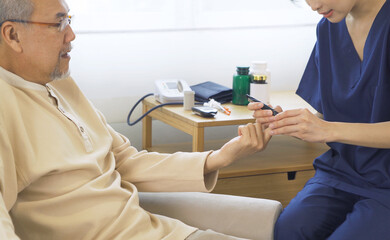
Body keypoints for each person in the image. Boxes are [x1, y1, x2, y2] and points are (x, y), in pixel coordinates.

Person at [0, 0, 272, 239]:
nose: (71, 34)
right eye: (58, 24)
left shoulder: (58, 82)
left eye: (69, 21)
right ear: (13, 35)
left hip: (153, 228)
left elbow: (124, 160)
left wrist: (220, 157)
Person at [248, 0, 390, 239]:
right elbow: (329, 115)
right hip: (343, 171)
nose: (313, 5)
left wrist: (328, 130)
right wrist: (291, 122)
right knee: (290, 230)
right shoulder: (329, 27)